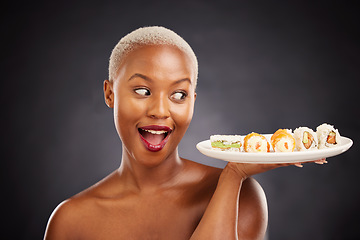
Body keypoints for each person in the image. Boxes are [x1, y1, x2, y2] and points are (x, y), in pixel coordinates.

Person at [44, 26, 326, 240]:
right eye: (143, 91)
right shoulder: (70, 221)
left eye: (179, 94)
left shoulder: (242, 196)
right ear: (109, 93)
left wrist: (233, 176)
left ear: (193, 99)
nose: (160, 110)